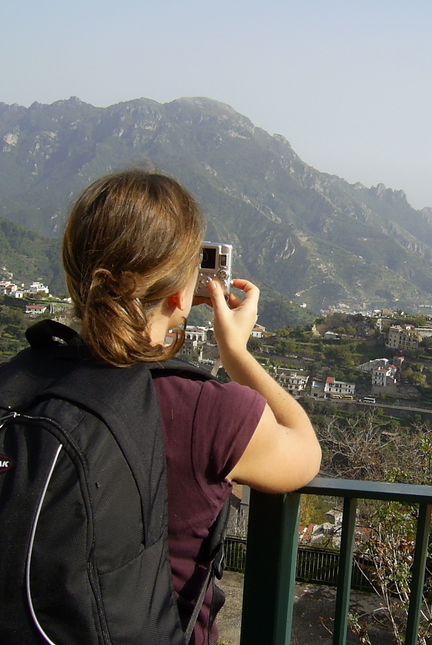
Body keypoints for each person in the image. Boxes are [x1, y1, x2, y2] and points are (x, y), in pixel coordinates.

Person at [61, 169, 321, 643]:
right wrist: (235, 353)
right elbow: (304, 451)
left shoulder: (7, 384)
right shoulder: (203, 410)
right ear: (183, 294)